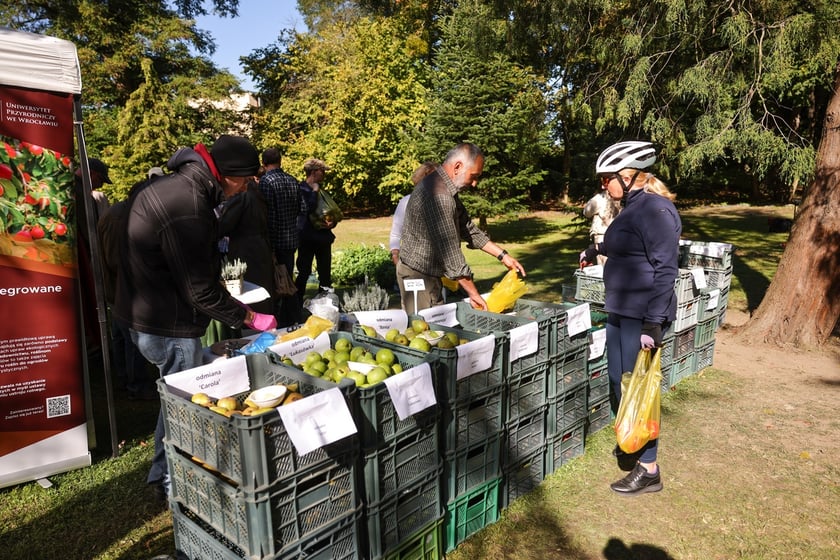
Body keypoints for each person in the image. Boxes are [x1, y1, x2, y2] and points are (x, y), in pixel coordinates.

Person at [113, 135, 277, 499]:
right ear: (227, 175)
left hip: (143, 310)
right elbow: (198, 289)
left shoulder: (177, 186)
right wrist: (249, 317)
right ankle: (174, 485)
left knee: (175, 398)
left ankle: (161, 475)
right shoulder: (188, 204)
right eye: (247, 180)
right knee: (183, 405)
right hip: (165, 322)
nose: (248, 187)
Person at [580, 140, 681, 495]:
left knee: (640, 390)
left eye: (605, 179)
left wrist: (654, 322)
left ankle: (649, 468)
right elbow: (624, 244)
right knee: (618, 380)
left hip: (643, 316)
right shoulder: (631, 209)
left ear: (627, 176)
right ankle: (631, 440)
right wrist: (596, 249)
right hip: (619, 310)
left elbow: (666, 268)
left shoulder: (656, 210)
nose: (602, 186)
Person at [397, 143, 526, 313]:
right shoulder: (440, 196)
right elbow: (451, 256)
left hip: (427, 273)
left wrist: (503, 256)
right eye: (473, 176)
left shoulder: (442, 183)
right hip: (419, 277)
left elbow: (468, 228)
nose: (474, 183)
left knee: (435, 332)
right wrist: (473, 293)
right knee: (427, 332)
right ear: (457, 167)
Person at [97, 177, 155, 400]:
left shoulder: (119, 212)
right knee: (131, 339)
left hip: (118, 286)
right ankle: (135, 385)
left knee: (121, 337)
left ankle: (125, 378)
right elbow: (114, 258)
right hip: (122, 287)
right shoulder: (121, 216)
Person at [258, 148, 306, 326]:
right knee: (287, 279)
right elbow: (303, 209)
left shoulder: (266, 182)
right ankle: (291, 318)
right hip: (291, 239)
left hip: (275, 241)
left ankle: (282, 320)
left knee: (278, 283)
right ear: (280, 161)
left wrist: (268, 246)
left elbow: (267, 216)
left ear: (264, 163)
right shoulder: (293, 180)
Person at [218, 178, 276, 316]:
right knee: (262, 287)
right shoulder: (257, 194)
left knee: (248, 289)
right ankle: (264, 318)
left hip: (245, 248)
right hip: (260, 246)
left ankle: (251, 319)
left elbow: (224, 224)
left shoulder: (241, 197)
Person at [295, 158, 338, 302]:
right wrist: (313, 192)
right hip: (307, 238)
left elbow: (329, 211)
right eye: (322, 171)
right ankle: (296, 303)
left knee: (325, 274)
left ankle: (325, 303)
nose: (324, 174)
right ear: (313, 172)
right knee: (304, 272)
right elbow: (307, 208)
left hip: (323, 238)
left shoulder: (321, 191)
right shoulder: (301, 189)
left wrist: (332, 223)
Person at [389, 162, 438, 266]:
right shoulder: (406, 202)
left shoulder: (444, 202)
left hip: (440, 265)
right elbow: (396, 233)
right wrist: (395, 256)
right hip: (412, 264)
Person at [582, 176, 621, 266]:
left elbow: (587, 212)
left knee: (604, 267)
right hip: (619, 235)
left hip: (602, 236)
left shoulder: (600, 198)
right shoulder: (623, 196)